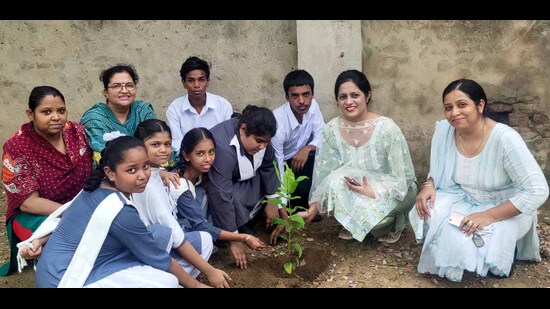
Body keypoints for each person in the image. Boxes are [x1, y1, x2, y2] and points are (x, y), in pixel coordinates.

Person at [410, 79, 549, 282]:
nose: (454, 113)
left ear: (480, 105)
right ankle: (476, 252)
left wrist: (489, 215)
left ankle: (499, 256)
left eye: (462, 105)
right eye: (448, 108)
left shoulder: (505, 139)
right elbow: (438, 168)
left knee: (478, 236)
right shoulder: (445, 133)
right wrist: (428, 185)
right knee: (427, 209)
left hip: (505, 209)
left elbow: (538, 190)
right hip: (465, 198)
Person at [34, 136, 210, 288]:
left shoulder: (94, 187)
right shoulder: (119, 210)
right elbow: (159, 258)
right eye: (131, 170)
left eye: (146, 166)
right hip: (67, 278)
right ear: (110, 173)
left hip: (84, 263)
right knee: (167, 281)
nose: (142, 175)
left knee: (176, 236)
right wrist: (195, 284)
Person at [302, 70, 417, 243]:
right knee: (334, 182)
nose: (349, 102)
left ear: (368, 95)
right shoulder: (331, 130)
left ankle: (391, 223)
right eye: (343, 97)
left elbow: (404, 178)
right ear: (337, 100)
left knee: (379, 219)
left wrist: (373, 192)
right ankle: (354, 223)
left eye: (355, 95)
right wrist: (313, 209)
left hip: (390, 188)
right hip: (354, 188)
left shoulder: (387, 128)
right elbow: (324, 174)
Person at [0, 86, 93, 276]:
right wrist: (73, 212)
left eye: (61, 110)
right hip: (36, 215)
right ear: (30, 113)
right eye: (46, 112)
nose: (56, 117)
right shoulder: (18, 147)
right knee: (68, 236)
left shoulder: (77, 132)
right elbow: (28, 203)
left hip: (80, 205)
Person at [132, 119, 230, 287]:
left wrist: (162, 172)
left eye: (167, 144)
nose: (163, 149)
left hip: (155, 242)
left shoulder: (156, 174)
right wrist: (209, 271)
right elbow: (175, 235)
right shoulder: (146, 184)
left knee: (203, 239)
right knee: (191, 239)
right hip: (145, 247)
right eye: (155, 144)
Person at [171, 127, 266, 269]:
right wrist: (243, 238)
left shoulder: (204, 175)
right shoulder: (179, 186)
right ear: (186, 155)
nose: (208, 159)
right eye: (200, 154)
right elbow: (201, 226)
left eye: (211, 152)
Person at [206, 105, 283, 262]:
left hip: (245, 181)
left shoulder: (263, 142)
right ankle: (230, 231)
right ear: (243, 129)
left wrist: (273, 202)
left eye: (266, 143)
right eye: (259, 141)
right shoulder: (222, 147)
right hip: (218, 186)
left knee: (250, 194)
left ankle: (247, 220)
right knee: (232, 199)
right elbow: (221, 193)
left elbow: (269, 167)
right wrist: (234, 239)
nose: (262, 147)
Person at [271, 70, 325, 219]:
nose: (301, 101)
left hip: (301, 159)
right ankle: (288, 208)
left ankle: (311, 205)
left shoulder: (313, 106)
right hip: (280, 164)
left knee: (321, 156)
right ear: (287, 97)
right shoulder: (278, 123)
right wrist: (281, 206)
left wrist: (308, 148)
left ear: (312, 94)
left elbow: (322, 133)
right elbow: (278, 166)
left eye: (306, 94)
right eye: (295, 95)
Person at [80, 64, 157, 165]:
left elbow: (158, 143)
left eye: (129, 85)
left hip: (148, 169)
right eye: (116, 86)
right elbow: (105, 154)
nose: (124, 91)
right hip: (108, 173)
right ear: (106, 92)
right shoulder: (94, 118)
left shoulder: (142, 110)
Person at [166, 56, 233, 153]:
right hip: (187, 161)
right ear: (183, 83)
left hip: (217, 160)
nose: (196, 85)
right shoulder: (175, 109)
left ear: (208, 81)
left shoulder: (223, 106)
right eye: (191, 80)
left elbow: (228, 141)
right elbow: (177, 145)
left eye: (201, 80)